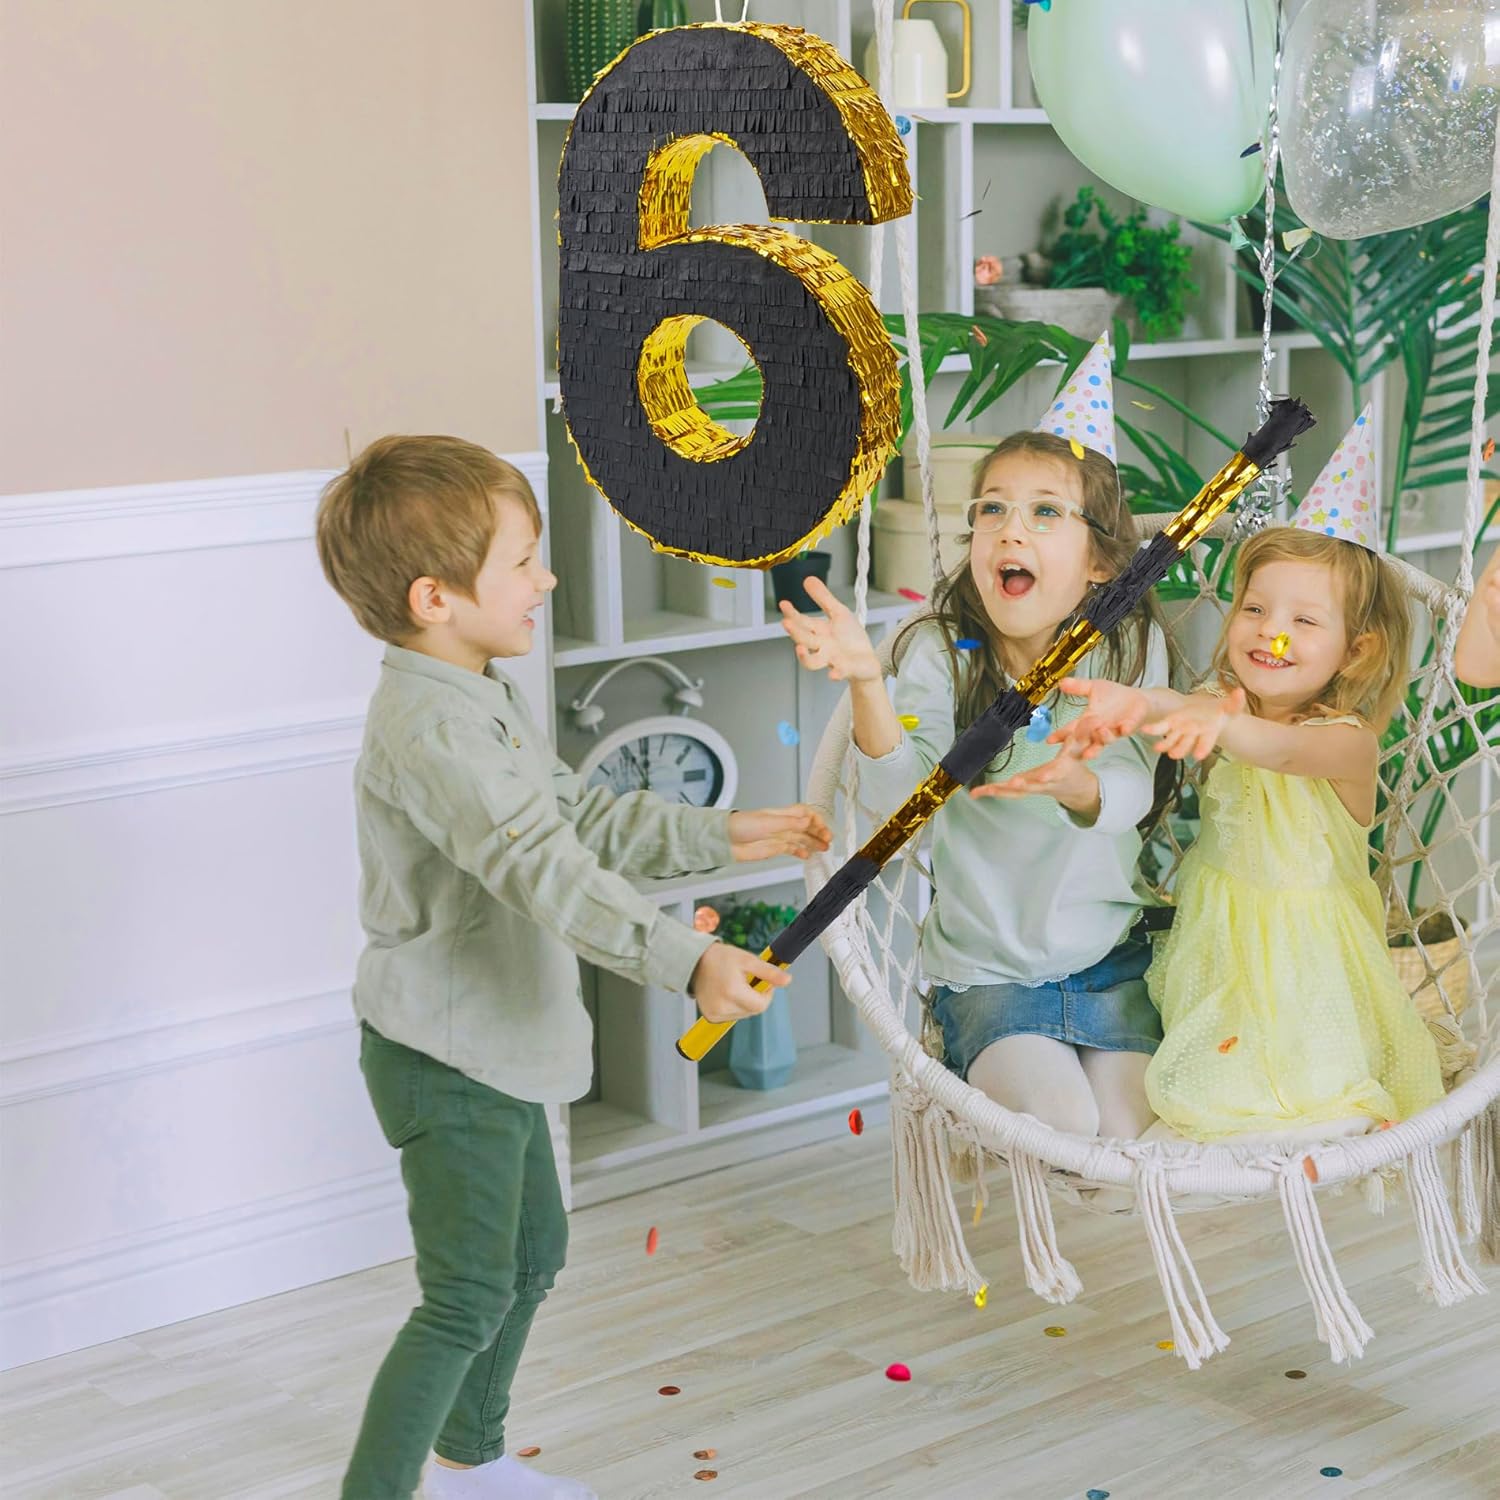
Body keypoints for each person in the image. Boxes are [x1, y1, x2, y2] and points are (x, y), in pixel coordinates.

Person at [315, 435, 830, 1500]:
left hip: (500, 1042)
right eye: (521, 562)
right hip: (446, 1057)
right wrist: (689, 960)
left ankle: (471, 1465)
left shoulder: (478, 692)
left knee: (531, 1258)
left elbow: (577, 818)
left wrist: (725, 834)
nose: (546, 579)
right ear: (434, 598)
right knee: (465, 1296)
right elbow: (541, 869)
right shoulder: (433, 731)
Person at [782, 334, 1175, 1141]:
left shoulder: (1126, 646)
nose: (1009, 530)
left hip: (1111, 959)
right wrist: (867, 683)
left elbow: (1136, 788)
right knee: (1062, 1124)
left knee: (1127, 1137)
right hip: (988, 974)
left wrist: (1078, 785)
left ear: (1101, 564)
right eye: (992, 508)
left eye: (1044, 512)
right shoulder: (940, 650)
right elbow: (899, 810)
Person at [1051, 409, 1444, 1143]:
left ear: (1356, 652)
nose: (1271, 631)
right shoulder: (1218, 701)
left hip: (1311, 956)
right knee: (1208, 1072)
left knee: (1309, 1084)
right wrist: (1139, 704)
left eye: (1305, 621)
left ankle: (1317, 1129)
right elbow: (1186, 710)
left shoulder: (1346, 741)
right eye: (1255, 608)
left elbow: (1279, 750)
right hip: (1218, 934)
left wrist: (1207, 720)